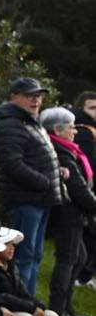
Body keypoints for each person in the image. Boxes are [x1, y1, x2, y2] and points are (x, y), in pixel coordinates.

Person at [0, 77, 62, 294]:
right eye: (30, 96)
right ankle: (21, 303)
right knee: (24, 255)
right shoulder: (9, 124)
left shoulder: (31, 121)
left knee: (35, 254)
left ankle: (28, 301)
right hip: (26, 199)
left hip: (40, 199)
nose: (36, 100)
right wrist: (44, 181)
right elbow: (12, 163)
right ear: (14, 97)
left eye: (39, 96)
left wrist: (57, 172)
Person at [39, 107, 93, 316]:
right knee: (68, 259)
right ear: (58, 130)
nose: (75, 131)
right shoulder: (62, 153)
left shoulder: (68, 150)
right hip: (67, 215)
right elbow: (78, 189)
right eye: (71, 127)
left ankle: (66, 305)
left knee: (78, 258)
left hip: (74, 214)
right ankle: (58, 309)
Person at [72, 91, 96, 285]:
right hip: (85, 189)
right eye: (92, 108)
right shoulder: (82, 130)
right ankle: (82, 275)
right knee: (86, 235)